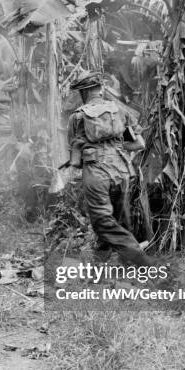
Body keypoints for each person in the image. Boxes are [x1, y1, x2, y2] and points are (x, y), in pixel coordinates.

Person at [67, 70, 152, 266]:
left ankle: (140, 258)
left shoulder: (77, 117)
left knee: (102, 222)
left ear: (84, 92)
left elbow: (75, 159)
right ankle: (102, 267)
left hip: (97, 173)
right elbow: (140, 144)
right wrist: (117, 148)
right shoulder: (121, 111)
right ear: (101, 88)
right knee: (119, 220)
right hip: (122, 171)